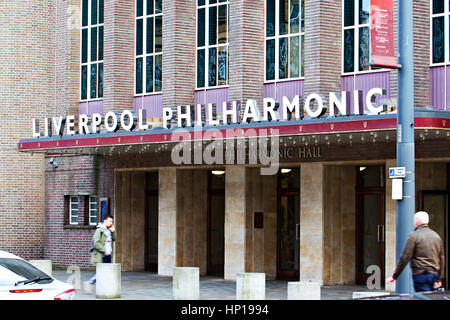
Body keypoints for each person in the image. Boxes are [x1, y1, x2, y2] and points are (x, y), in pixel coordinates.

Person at [386, 211, 445, 292]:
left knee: (422, 296)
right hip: (433, 275)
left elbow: (405, 258)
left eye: (413, 221)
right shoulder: (436, 236)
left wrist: (394, 276)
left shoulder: (414, 236)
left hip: (420, 275)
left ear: (416, 222)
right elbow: (442, 259)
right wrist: (439, 278)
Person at [88, 215, 116, 284]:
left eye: (112, 221)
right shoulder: (99, 230)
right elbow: (96, 242)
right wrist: (104, 250)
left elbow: (114, 239)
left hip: (108, 255)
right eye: (110, 221)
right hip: (101, 255)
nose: (111, 223)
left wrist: (113, 232)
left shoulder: (109, 230)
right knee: (102, 271)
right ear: (104, 221)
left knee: (106, 271)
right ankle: (92, 281)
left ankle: (96, 282)